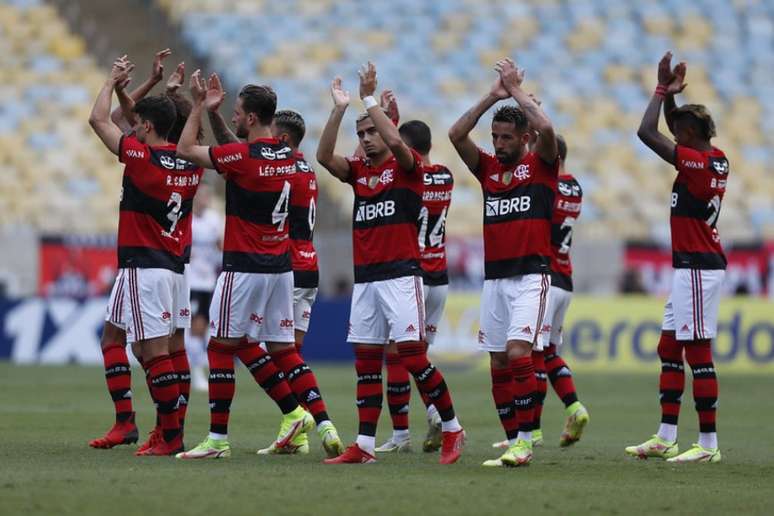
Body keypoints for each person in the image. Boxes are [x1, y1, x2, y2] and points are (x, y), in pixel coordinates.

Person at [316, 62, 465, 465]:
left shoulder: (407, 167)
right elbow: (323, 155)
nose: (365, 140)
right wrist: (339, 110)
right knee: (366, 363)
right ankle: (364, 445)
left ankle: (453, 428)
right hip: (366, 279)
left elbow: (398, 145)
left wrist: (368, 99)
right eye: (360, 134)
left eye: (370, 132)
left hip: (402, 276)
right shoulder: (359, 173)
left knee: (413, 357)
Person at [174, 71, 315, 460]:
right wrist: (218, 116)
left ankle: (217, 439)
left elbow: (187, 149)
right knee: (263, 345)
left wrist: (200, 106)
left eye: (237, 113)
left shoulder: (242, 158)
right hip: (280, 270)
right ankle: (294, 414)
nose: (234, 118)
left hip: (243, 267)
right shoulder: (288, 156)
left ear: (251, 118)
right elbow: (240, 155)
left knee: (219, 347)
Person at [204, 77, 343, 457]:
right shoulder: (301, 167)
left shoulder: (268, 163)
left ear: (280, 139)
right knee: (285, 352)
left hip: (279, 262)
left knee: (246, 342)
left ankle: (295, 415)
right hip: (304, 266)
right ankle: (315, 425)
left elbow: (241, 156)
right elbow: (240, 149)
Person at [88, 57, 204, 456]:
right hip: (174, 267)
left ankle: (170, 434)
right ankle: (129, 423)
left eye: (139, 125)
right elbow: (129, 118)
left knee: (152, 352)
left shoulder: (141, 158)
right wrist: (157, 83)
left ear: (148, 127)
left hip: (145, 266)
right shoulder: (192, 159)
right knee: (118, 339)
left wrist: (112, 80)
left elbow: (101, 120)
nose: (132, 127)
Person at [449, 58, 558, 467]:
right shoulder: (489, 171)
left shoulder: (542, 166)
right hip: (494, 280)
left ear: (523, 138)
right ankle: (514, 440)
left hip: (531, 275)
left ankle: (527, 440)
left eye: (506, 137)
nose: (497, 144)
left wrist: (514, 90)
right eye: (495, 137)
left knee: (517, 353)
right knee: (497, 360)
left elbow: (547, 130)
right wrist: (491, 97)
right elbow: (456, 134)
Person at [626, 52, 728, 463]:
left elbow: (646, 131)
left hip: (699, 269)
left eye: (679, 131)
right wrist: (672, 96)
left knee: (697, 353)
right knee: (669, 348)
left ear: (688, 134)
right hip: (690, 268)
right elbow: (670, 126)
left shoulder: (698, 164)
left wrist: (657, 90)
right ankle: (666, 436)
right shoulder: (712, 156)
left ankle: (708, 446)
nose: (674, 135)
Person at [492, 134, 589, 450]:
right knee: (548, 353)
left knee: (532, 356)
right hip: (566, 278)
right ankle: (569, 409)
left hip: (543, 277)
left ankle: (533, 428)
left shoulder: (542, 187)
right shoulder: (575, 186)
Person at [375, 115, 453, 455]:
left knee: (397, 354)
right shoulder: (445, 177)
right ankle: (433, 414)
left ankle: (404, 432)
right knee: (419, 354)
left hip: (413, 274)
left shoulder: (409, 177)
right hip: (441, 278)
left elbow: (393, 157)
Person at [187, 184, 223, 392]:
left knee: (206, 327)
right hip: (191, 281)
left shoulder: (213, 220)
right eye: (201, 196)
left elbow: (220, 245)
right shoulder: (188, 220)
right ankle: (196, 372)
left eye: (207, 196)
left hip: (209, 280)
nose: (204, 200)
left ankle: (201, 369)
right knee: (196, 327)